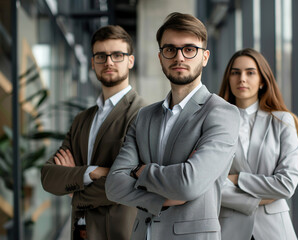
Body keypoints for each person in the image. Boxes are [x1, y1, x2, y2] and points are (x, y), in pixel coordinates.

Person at [105, 12, 240, 240]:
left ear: (205, 57)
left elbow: (189, 184)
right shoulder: (144, 116)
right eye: (170, 49)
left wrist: (142, 171)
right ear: (160, 57)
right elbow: (114, 185)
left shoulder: (222, 113)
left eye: (189, 49)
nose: (179, 57)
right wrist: (162, 198)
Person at [41, 25, 146, 240]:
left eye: (117, 55)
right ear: (93, 63)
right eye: (101, 56)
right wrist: (93, 173)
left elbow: (129, 182)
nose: (108, 62)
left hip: (119, 233)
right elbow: (48, 176)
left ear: (130, 61)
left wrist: (75, 187)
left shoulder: (142, 114)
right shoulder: (82, 119)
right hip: (80, 231)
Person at [218, 48, 298, 240]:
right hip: (229, 229)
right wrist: (262, 196)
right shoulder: (214, 124)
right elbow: (210, 184)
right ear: (228, 79)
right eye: (235, 72)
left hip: (275, 230)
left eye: (250, 72)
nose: (242, 79)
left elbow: (286, 184)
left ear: (263, 80)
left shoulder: (282, 121)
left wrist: (236, 179)